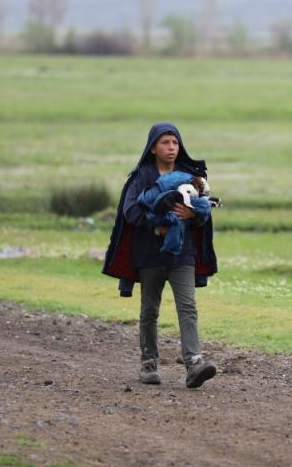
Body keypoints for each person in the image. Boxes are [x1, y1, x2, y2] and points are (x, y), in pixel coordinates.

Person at [102, 123, 218, 388]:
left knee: (188, 307)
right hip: (149, 254)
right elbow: (130, 212)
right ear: (153, 147)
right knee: (149, 310)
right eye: (165, 143)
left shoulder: (190, 176)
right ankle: (149, 364)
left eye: (175, 143)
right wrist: (156, 225)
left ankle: (194, 363)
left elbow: (203, 215)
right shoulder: (140, 178)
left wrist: (195, 214)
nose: (171, 148)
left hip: (182, 254)